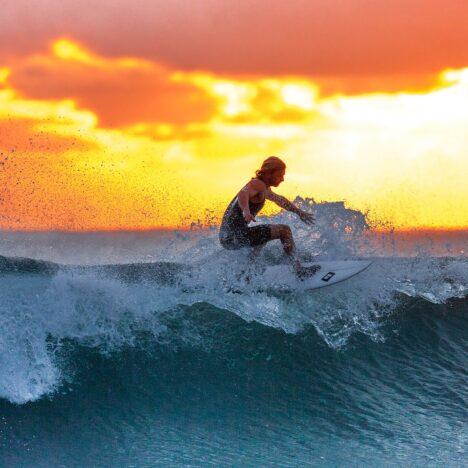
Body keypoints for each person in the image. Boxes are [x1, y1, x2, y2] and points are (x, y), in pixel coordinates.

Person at [219, 156, 320, 278]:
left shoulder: (263, 188)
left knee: (262, 237)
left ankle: (244, 276)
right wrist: (246, 210)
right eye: (279, 175)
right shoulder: (257, 184)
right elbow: (243, 193)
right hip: (234, 236)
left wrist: (299, 212)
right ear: (268, 173)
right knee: (284, 230)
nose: (282, 179)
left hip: (228, 238)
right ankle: (298, 270)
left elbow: (280, 200)